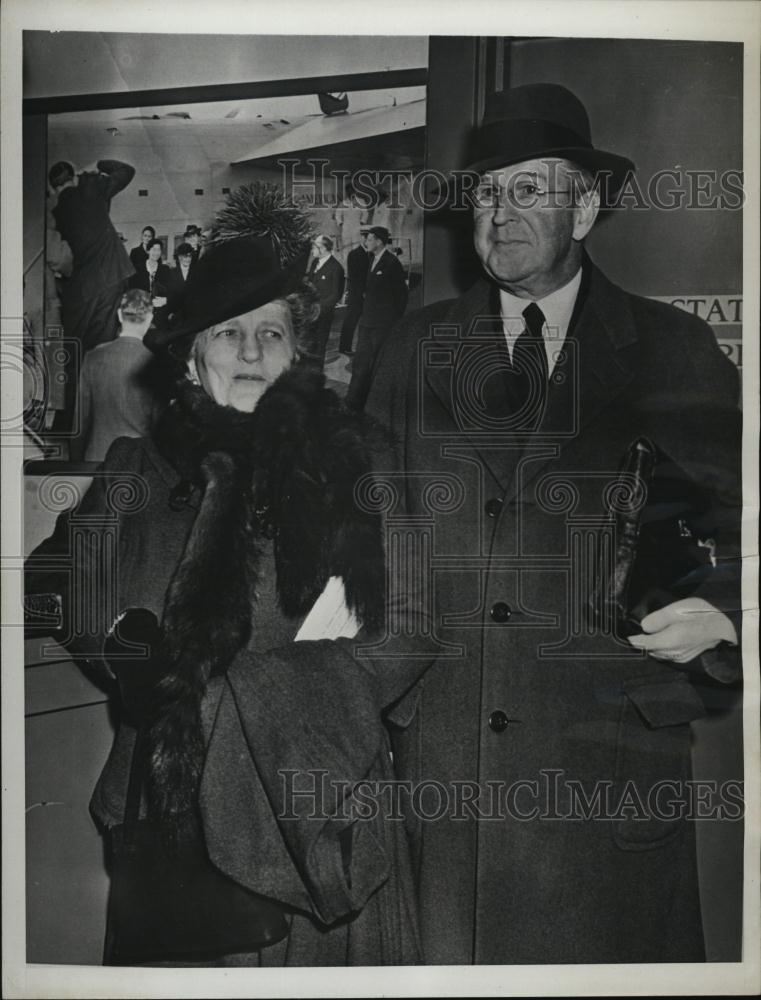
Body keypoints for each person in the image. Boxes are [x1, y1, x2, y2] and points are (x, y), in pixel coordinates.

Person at [365, 83, 742, 964]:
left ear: (587, 206)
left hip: (602, 770)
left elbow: (744, 524)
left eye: (527, 189)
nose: (498, 214)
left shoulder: (671, 350)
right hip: (443, 773)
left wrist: (727, 615)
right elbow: (361, 530)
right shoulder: (413, 348)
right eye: (485, 192)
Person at [26, 182, 428, 967]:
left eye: (270, 333)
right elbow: (60, 582)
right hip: (167, 827)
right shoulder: (135, 467)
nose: (250, 352)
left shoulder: (359, 462)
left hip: (309, 815)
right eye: (228, 333)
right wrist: (130, 653)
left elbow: (409, 630)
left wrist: (243, 695)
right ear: (190, 355)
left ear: (296, 350)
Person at [48, 158, 136, 428]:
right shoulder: (90, 188)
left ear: (53, 188)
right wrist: (100, 165)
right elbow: (126, 171)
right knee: (103, 351)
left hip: (80, 292)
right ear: (73, 177)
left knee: (74, 356)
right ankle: (101, 420)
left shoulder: (56, 212)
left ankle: (65, 422)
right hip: (111, 278)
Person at [68, 289, 167, 463]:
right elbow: (160, 429)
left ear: (120, 315)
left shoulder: (92, 358)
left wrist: (75, 463)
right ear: (149, 319)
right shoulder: (157, 365)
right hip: (137, 465)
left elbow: (80, 421)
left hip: (97, 461)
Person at [345, 226, 408, 409]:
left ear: (379, 241)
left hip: (383, 323)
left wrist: (394, 320)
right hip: (367, 321)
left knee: (378, 363)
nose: (367, 242)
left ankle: (375, 404)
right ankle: (352, 401)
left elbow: (401, 295)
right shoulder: (372, 259)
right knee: (360, 362)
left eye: (370, 239)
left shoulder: (392, 263)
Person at [305, 234, 345, 366]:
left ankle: (316, 374)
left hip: (323, 316)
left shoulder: (336, 268)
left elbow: (336, 295)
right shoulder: (315, 263)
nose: (312, 250)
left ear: (323, 248)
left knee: (318, 349)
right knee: (307, 347)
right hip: (308, 313)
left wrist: (318, 309)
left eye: (314, 247)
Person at [338, 229, 370, 356]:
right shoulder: (354, 254)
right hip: (357, 295)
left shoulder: (372, 254)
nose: (370, 242)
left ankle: (364, 348)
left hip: (368, 295)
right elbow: (355, 277)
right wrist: (363, 292)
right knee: (350, 321)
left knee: (366, 323)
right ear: (363, 238)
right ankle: (344, 347)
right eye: (368, 239)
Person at [128, 238, 172, 330]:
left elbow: (170, 291)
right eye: (154, 249)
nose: (156, 253)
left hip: (159, 314)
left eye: (159, 250)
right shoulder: (137, 269)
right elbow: (132, 292)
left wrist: (166, 299)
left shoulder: (165, 270)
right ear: (148, 251)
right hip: (141, 313)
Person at [164, 241, 195, 324]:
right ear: (179, 257)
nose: (188, 259)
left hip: (192, 314)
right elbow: (170, 295)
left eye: (190, 256)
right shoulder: (172, 273)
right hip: (175, 314)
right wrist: (170, 313)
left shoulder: (195, 272)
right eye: (185, 256)